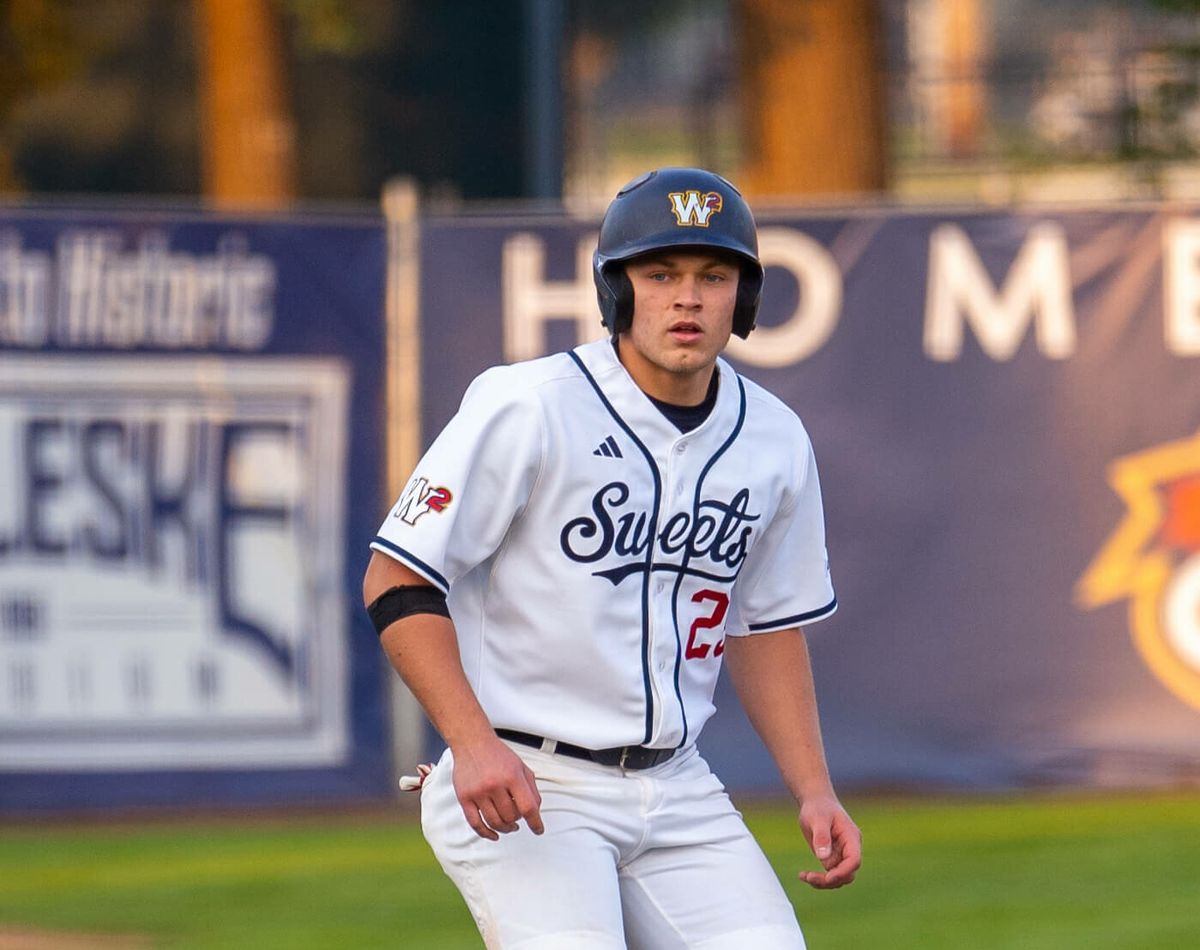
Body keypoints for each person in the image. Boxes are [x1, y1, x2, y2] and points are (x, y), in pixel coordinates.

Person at [362, 167, 861, 949]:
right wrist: (472, 744)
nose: (688, 298)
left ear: (745, 298)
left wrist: (814, 789)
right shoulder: (530, 404)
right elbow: (397, 581)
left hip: (679, 784)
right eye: (660, 274)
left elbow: (765, 626)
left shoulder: (773, 437)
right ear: (617, 290)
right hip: (528, 778)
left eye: (714, 275)